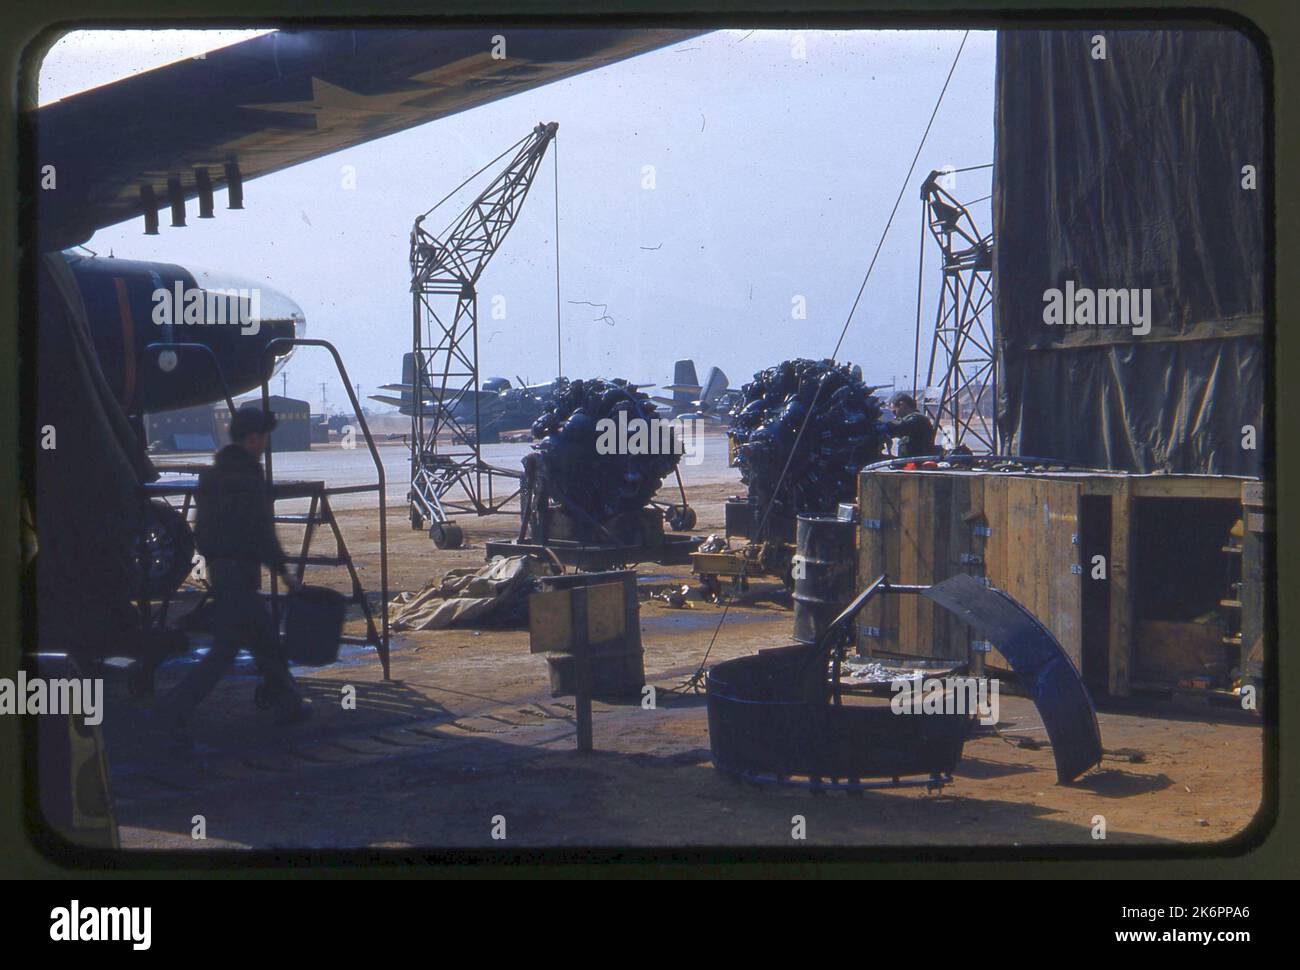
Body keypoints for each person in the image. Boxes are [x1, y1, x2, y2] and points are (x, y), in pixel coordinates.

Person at [154, 405, 311, 737]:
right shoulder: (247, 478)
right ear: (251, 439)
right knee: (227, 650)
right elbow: (261, 532)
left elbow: (202, 530)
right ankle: (173, 710)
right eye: (261, 438)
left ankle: (289, 703)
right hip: (239, 575)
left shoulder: (213, 475)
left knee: (265, 641)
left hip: (222, 571)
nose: (264, 444)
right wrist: (284, 572)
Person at [881, 392, 938, 459]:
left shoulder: (917, 419)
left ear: (902, 405)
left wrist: (880, 427)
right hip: (912, 461)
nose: (895, 415)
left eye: (895, 411)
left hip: (918, 462)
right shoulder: (913, 419)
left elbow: (897, 427)